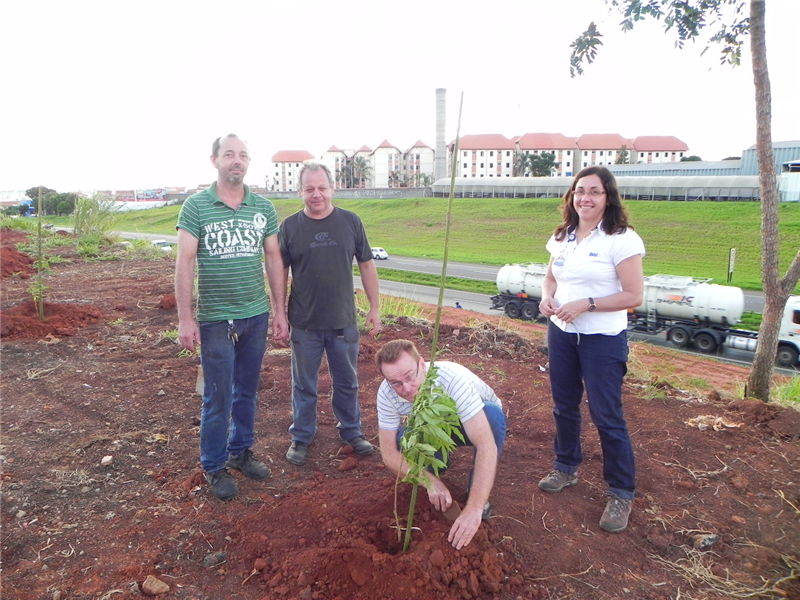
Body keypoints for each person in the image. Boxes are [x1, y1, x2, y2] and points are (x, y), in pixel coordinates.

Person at [175, 133, 287, 501]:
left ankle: (240, 451)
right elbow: (185, 263)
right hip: (215, 320)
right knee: (217, 396)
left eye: (242, 155)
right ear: (215, 161)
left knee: (247, 391)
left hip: (254, 316)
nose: (236, 160)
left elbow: (273, 259)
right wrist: (185, 318)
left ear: (248, 162)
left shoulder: (264, 209)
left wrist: (279, 311)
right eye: (229, 154)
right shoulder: (195, 206)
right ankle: (213, 465)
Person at [537, 165, 644, 533]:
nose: (585, 197)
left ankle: (621, 491)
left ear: (608, 196)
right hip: (561, 333)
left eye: (594, 191)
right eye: (580, 190)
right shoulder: (563, 235)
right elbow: (550, 277)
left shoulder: (622, 238)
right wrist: (547, 298)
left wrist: (588, 303)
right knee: (564, 406)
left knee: (606, 414)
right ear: (572, 196)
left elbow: (634, 295)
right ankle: (565, 467)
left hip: (602, 339)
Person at [279, 161, 381, 466]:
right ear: (300, 191)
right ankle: (302, 436)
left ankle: (351, 431)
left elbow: (366, 264)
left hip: (343, 321)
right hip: (304, 322)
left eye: (322, 187)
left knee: (347, 380)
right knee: (304, 384)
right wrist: (278, 313)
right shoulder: (289, 227)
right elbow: (279, 271)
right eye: (309, 189)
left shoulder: (351, 222)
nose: (316, 194)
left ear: (332, 188)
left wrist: (375, 308)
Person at [375, 339, 507, 550]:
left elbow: (485, 445)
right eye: (396, 382)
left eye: (410, 376)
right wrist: (430, 481)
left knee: (493, 417)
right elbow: (389, 453)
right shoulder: (386, 394)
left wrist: (474, 508)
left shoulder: (452, 380)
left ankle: (477, 491)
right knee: (404, 440)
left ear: (422, 364)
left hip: (474, 421)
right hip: (433, 425)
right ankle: (438, 466)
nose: (406, 388)